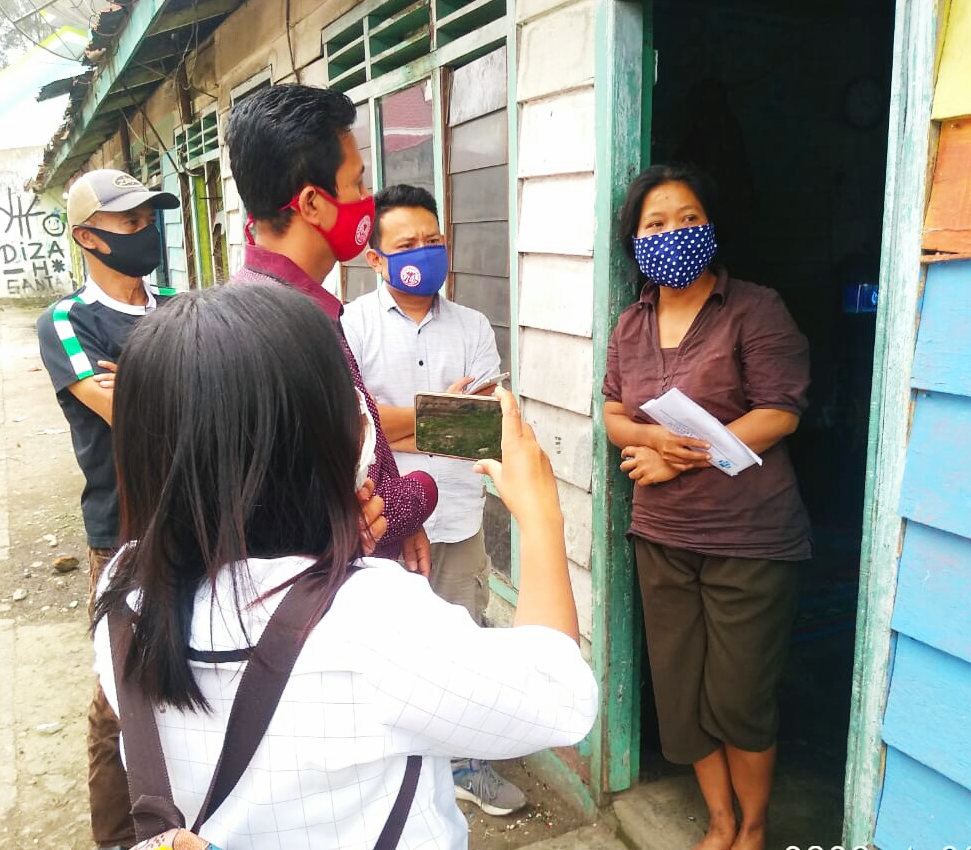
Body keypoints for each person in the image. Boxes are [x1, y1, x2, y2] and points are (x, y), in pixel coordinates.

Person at [91, 284, 598, 850]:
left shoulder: (123, 587)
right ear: (312, 443)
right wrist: (541, 518)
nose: (363, 418)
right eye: (350, 404)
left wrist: (328, 540)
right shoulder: (372, 619)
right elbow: (560, 698)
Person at [601, 164, 811, 850]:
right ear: (634, 240)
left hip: (747, 538)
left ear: (711, 226)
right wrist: (647, 437)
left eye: (688, 218)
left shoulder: (754, 308)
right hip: (661, 535)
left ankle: (752, 828)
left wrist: (675, 455)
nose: (673, 233)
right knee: (681, 694)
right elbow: (611, 413)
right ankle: (718, 821)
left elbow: (777, 413)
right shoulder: (630, 324)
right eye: (655, 223)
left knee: (738, 698)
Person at [343, 183, 526, 816]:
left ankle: (467, 764)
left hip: (457, 516)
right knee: (389, 651)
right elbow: (354, 425)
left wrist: (407, 418)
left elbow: (485, 426)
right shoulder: (349, 326)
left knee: (463, 642)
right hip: (383, 520)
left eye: (433, 240)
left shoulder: (474, 327)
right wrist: (439, 415)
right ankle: (400, 773)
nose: (424, 252)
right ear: (375, 258)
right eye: (406, 244)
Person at [225, 83, 435, 570]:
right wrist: (421, 493)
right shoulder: (293, 330)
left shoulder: (263, 302)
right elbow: (357, 518)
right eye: (358, 184)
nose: (368, 199)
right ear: (313, 204)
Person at [36, 168, 181, 850]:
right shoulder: (66, 321)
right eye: (128, 221)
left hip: (199, 514)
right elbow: (117, 407)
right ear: (87, 235)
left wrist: (145, 382)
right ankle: (117, 838)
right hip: (121, 531)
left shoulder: (181, 303)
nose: (143, 230)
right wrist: (179, 383)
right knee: (118, 699)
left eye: (149, 216)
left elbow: (219, 393)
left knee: (194, 671)